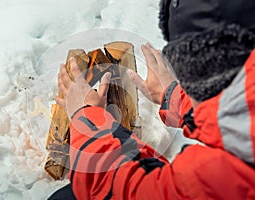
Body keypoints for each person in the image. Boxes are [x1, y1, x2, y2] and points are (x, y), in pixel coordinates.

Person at [52, 0, 255, 199]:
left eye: (189, 79)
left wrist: (86, 114)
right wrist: (174, 97)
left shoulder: (222, 180)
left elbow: (131, 191)